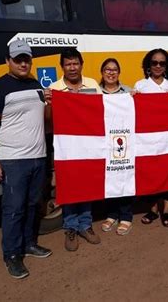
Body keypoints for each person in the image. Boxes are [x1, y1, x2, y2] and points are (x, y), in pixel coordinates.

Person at [0, 39, 52, 279]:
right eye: (18, 59)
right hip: (13, 160)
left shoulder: (36, 85)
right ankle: (11, 255)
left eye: (27, 59)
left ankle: (28, 244)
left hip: (38, 157)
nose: (23, 63)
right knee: (13, 209)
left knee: (33, 205)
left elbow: (45, 119)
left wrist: (50, 104)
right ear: (8, 61)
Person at [45, 48, 102, 251]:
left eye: (75, 63)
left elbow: (104, 110)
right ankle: (70, 227)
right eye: (68, 64)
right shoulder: (55, 88)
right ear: (62, 67)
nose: (72, 68)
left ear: (81, 64)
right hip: (65, 146)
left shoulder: (93, 84)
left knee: (87, 186)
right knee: (68, 186)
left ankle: (86, 225)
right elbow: (49, 121)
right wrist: (50, 103)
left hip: (88, 145)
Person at [134, 48, 168, 227]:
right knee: (150, 173)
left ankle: (166, 211)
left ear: (166, 66)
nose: (158, 66)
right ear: (148, 65)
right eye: (154, 62)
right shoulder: (140, 85)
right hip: (148, 139)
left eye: (162, 63)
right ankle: (152, 209)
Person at [98, 58, 134, 235]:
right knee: (109, 179)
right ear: (102, 73)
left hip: (124, 140)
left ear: (119, 73)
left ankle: (126, 216)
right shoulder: (95, 92)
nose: (111, 73)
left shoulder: (129, 91)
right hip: (104, 143)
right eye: (107, 69)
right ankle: (112, 214)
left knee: (125, 177)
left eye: (114, 70)